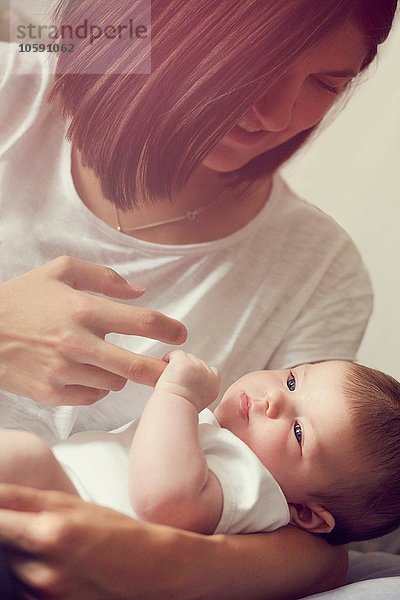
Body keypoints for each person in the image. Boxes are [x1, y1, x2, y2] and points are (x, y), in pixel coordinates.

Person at [0, 0, 398, 598]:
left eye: (325, 82)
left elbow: (317, 553)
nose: (276, 114)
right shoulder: (16, 83)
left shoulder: (319, 272)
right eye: (256, 66)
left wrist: (152, 561)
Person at [1, 352, 400, 547]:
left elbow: (165, 500)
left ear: (305, 513)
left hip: (61, 525)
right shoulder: (225, 442)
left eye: (298, 432)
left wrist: (177, 395)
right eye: (293, 382)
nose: (272, 399)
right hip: (50, 501)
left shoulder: (257, 488)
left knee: (24, 458)